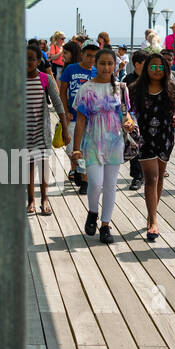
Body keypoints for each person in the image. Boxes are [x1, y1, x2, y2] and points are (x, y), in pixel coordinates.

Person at [71, 49, 135, 244]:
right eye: (102, 63)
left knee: (110, 185)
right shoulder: (86, 89)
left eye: (110, 64)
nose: (106, 67)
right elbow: (80, 121)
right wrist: (76, 148)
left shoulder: (121, 88)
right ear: (95, 65)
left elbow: (126, 113)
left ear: (115, 65)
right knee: (96, 183)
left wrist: (129, 121)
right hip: (92, 141)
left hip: (114, 141)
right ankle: (93, 211)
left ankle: (105, 224)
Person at [128, 50, 175, 242]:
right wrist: (129, 121)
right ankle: (153, 219)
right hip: (144, 137)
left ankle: (152, 213)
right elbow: (125, 107)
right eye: (153, 67)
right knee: (151, 178)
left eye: (160, 67)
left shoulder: (171, 87)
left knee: (159, 177)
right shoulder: (135, 88)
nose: (157, 70)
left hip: (165, 137)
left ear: (165, 69)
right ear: (146, 68)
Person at [25, 44, 69, 215]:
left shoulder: (45, 79)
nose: (27, 62)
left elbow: (58, 103)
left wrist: (65, 128)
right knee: (28, 165)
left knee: (43, 164)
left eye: (31, 59)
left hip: (41, 130)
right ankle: (31, 200)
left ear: (38, 61)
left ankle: (44, 198)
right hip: (23, 131)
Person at [58, 41, 95, 192]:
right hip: (73, 116)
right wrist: (65, 110)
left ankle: (85, 178)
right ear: (82, 54)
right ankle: (78, 170)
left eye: (94, 56)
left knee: (87, 149)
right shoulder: (71, 69)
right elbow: (62, 91)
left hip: (91, 118)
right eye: (88, 55)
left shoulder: (97, 72)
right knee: (72, 148)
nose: (91, 59)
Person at [122, 50, 148, 191]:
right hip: (133, 117)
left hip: (149, 117)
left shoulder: (151, 79)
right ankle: (137, 177)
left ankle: (147, 174)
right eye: (145, 63)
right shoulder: (127, 80)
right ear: (137, 64)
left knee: (148, 147)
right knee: (135, 146)